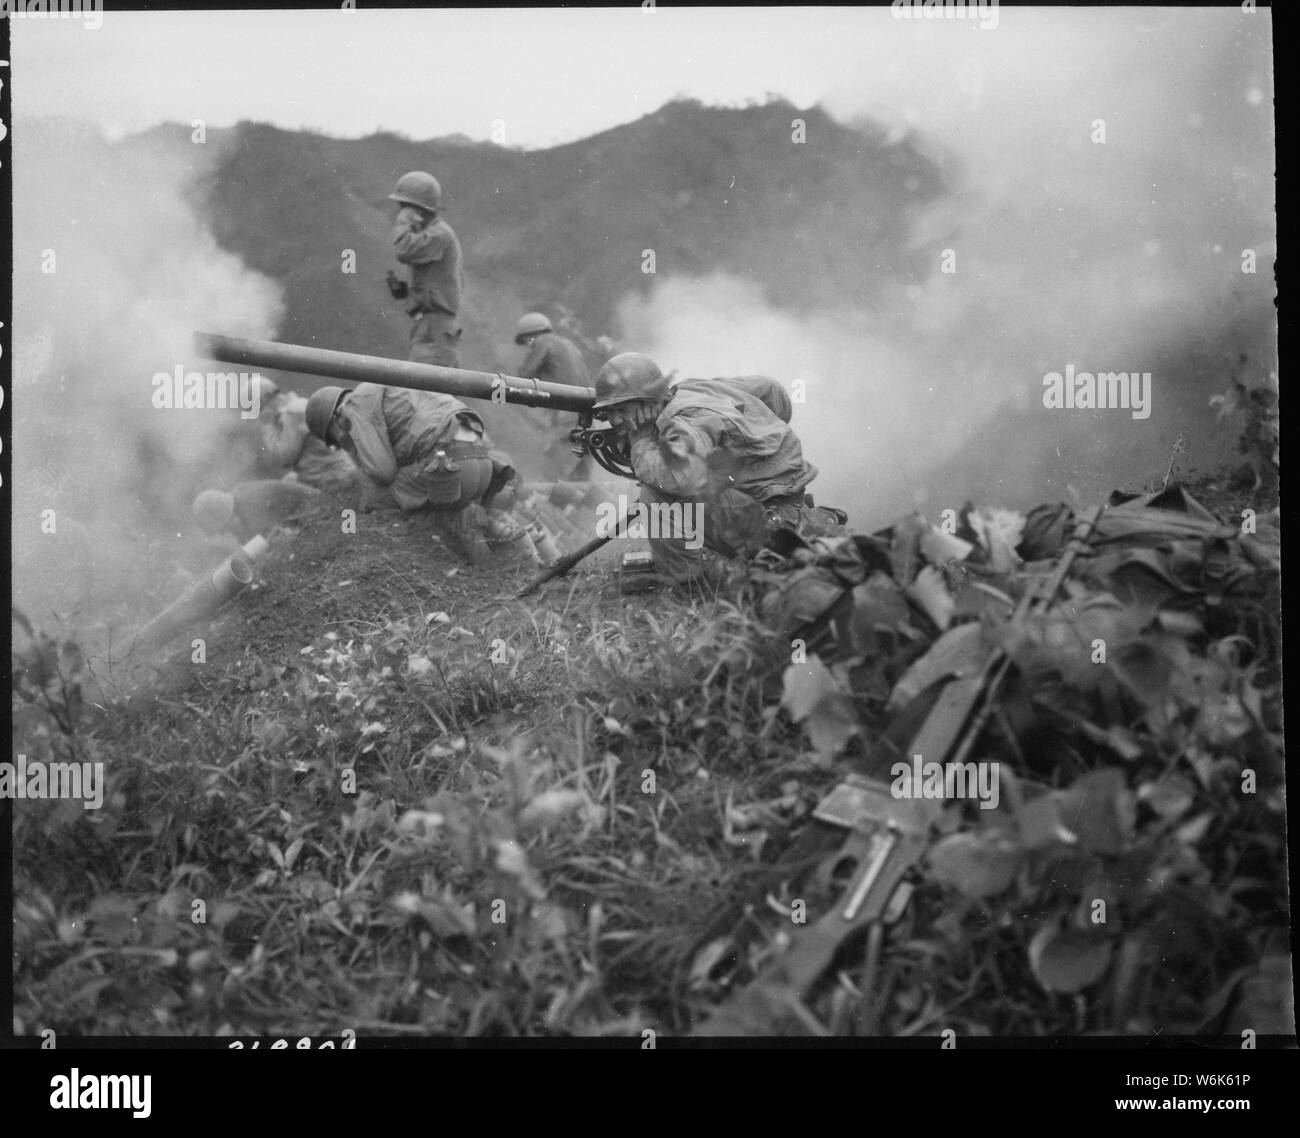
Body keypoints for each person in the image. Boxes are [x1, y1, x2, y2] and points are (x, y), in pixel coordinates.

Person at [592, 353, 846, 586]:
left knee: (656, 495)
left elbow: (680, 479)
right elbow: (770, 389)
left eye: (622, 410)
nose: (614, 421)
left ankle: (690, 588)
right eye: (609, 412)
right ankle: (803, 522)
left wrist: (640, 443)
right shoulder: (694, 389)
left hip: (770, 516)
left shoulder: (686, 419)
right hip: (778, 498)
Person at [303, 382, 519, 566]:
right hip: (481, 463)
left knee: (376, 498)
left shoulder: (351, 408)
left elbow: (383, 471)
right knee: (451, 505)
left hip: (451, 470)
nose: (340, 443)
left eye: (335, 439)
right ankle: (493, 538)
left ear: (332, 422)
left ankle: (413, 552)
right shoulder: (383, 388)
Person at [385, 171, 465, 368]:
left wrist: (405, 221)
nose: (400, 212)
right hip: (430, 328)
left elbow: (402, 250)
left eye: (404, 207)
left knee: (426, 394)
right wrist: (408, 292)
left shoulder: (439, 234)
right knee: (430, 394)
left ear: (418, 211)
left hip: (434, 331)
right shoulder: (432, 235)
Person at [513, 312, 593, 480]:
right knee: (581, 480)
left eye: (528, 342)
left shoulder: (544, 341)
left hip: (566, 418)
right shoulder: (569, 345)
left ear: (532, 335)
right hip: (587, 418)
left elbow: (525, 374)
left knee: (552, 477)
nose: (529, 346)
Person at [253, 375, 361, 491]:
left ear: (263, 401)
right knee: (287, 481)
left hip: (327, 478)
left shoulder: (291, 414)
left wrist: (267, 426)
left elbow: (286, 457)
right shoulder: (296, 405)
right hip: (335, 471)